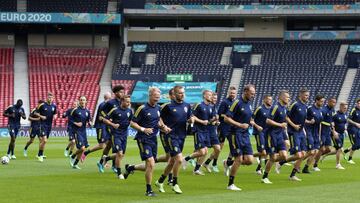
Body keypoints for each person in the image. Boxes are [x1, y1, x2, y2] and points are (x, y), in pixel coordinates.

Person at [123, 87, 168, 197]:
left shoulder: (158, 108)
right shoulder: (142, 108)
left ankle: (131, 167)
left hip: (153, 139)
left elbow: (158, 120)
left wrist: (163, 127)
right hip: (143, 139)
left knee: (149, 165)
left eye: (159, 97)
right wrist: (143, 129)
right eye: (156, 97)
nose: (158, 99)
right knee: (151, 163)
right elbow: (132, 123)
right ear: (150, 95)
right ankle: (148, 190)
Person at [154, 85, 193, 194]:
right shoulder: (167, 106)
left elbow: (190, 117)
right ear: (175, 94)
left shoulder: (187, 105)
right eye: (180, 93)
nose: (182, 95)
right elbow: (157, 117)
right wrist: (163, 126)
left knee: (171, 161)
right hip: (171, 136)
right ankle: (175, 183)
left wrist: (191, 120)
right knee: (179, 160)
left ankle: (160, 181)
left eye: (183, 92)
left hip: (181, 136)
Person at [224, 84, 255, 191]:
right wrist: (240, 125)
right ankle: (230, 184)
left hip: (245, 135)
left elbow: (249, 117)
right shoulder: (237, 102)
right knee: (238, 158)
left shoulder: (250, 104)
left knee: (250, 160)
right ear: (245, 91)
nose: (253, 95)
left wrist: (251, 121)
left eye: (254, 93)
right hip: (235, 134)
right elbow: (226, 118)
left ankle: (227, 163)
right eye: (251, 93)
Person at [276, 88, 310, 181]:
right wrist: (293, 125)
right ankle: (280, 162)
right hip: (293, 132)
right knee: (298, 155)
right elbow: (286, 116)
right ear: (301, 95)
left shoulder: (305, 106)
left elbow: (302, 120)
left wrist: (304, 131)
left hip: (301, 132)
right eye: (306, 95)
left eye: (308, 95)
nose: (307, 97)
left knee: (303, 154)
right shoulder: (295, 105)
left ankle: (292, 175)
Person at [183, 90, 216, 175]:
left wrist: (214, 120)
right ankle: (186, 159)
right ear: (204, 96)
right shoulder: (199, 105)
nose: (210, 96)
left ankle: (196, 169)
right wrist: (201, 121)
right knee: (202, 152)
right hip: (198, 130)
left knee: (206, 152)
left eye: (211, 95)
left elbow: (209, 120)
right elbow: (192, 116)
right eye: (209, 95)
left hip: (206, 131)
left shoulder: (211, 107)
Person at [261, 90, 290, 184]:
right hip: (271, 135)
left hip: (280, 135)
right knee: (273, 157)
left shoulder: (284, 108)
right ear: (281, 97)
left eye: (289, 97)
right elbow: (268, 120)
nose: (288, 99)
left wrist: (283, 127)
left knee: (284, 156)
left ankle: (268, 160)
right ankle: (265, 176)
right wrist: (280, 125)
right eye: (286, 97)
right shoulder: (275, 107)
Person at [101, 95, 133, 179]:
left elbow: (131, 121)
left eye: (129, 102)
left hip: (124, 134)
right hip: (115, 134)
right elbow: (104, 119)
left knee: (121, 155)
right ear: (122, 101)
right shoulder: (115, 110)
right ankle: (119, 173)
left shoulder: (130, 111)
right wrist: (112, 124)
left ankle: (107, 158)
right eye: (127, 101)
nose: (129, 103)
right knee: (119, 153)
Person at [80, 92, 112, 166]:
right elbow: (102, 115)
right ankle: (86, 152)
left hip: (105, 126)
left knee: (108, 144)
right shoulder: (103, 105)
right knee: (102, 145)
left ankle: (103, 162)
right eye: (110, 98)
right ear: (108, 98)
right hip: (100, 126)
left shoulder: (106, 105)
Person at [216, 86, 237, 176]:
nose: (232, 94)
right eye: (231, 93)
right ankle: (212, 163)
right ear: (228, 93)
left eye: (234, 93)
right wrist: (229, 116)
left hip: (232, 128)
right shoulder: (224, 102)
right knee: (218, 148)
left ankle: (227, 163)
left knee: (234, 147)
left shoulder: (236, 103)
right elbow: (220, 114)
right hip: (224, 127)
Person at [302, 94, 325, 172]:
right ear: (316, 101)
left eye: (323, 101)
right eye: (321, 101)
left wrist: (319, 135)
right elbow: (302, 120)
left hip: (316, 133)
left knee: (315, 152)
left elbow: (320, 124)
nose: (322, 103)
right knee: (311, 151)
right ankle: (297, 161)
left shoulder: (321, 111)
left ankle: (306, 167)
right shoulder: (310, 109)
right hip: (309, 132)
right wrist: (309, 122)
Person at [313, 97, 337, 170]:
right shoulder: (323, 110)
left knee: (328, 149)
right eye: (332, 102)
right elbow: (320, 122)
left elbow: (331, 121)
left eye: (335, 102)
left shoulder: (332, 110)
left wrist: (334, 131)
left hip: (328, 132)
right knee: (321, 149)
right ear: (329, 102)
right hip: (322, 131)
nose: (334, 104)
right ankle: (315, 165)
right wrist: (319, 134)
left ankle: (314, 158)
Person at [69, 96, 92, 169]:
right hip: (77, 131)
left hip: (83, 132)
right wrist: (76, 123)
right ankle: (73, 156)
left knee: (83, 149)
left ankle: (75, 164)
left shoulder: (87, 111)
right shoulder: (75, 110)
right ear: (79, 101)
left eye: (84, 100)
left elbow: (89, 120)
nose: (82, 101)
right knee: (82, 148)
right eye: (81, 100)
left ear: (86, 101)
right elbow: (70, 120)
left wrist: (90, 123)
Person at [252, 95, 273, 175]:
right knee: (263, 152)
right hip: (259, 132)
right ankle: (247, 154)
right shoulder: (259, 108)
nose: (270, 101)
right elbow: (251, 120)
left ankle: (258, 169)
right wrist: (257, 126)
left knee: (266, 152)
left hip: (267, 133)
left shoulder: (272, 109)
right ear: (264, 100)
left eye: (271, 99)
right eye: (268, 99)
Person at [35, 92, 57, 162]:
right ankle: (40, 155)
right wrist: (41, 116)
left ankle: (40, 154)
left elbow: (55, 113)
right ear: (47, 98)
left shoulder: (54, 106)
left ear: (53, 99)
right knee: (44, 140)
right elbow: (35, 113)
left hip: (49, 125)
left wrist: (55, 116)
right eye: (49, 97)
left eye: (51, 98)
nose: (50, 99)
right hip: (42, 124)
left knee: (43, 141)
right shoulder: (42, 105)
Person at [203, 92, 221, 173]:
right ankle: (194, 164)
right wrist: (213, 121)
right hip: (206, 130)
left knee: (218, 149)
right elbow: (206, 120)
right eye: (213, 98)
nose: (215, 100)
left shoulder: (214, 107)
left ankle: (206, 163)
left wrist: (216, 122)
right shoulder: (205, 106)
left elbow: (213, 119)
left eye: (216, 99)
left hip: (213, 131)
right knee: (202, 151)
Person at [344, 98, 360, 164]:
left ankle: (345, 151)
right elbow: (348, 119)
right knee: (355, 144)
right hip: (352, 129)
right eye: (358, 103)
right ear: (356, 103)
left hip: (357, 129)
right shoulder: (354, 110)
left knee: (358, 145)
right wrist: (355, 123)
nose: (359, 104)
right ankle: (349, 159)